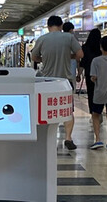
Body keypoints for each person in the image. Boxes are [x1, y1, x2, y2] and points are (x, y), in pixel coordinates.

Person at [32, 15, 83, 150]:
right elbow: (80, 54)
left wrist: (44, 59)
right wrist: (69, 56)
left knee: (47, 110)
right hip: (65, 82)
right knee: (68, 110)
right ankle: (68, 138)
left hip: (47, 82)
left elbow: (34, 57)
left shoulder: (42, 39)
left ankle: (49, 140)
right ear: (61, 26)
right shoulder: (69, 37)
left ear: (48, 26)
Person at [81, 28, 102, 112]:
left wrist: (78, 74)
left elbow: (83, 62)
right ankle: (99, 110)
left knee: (90, 92)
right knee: (100, 92)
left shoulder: (85, 47)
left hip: (89, 73)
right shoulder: (101, 47)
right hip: (100, 73)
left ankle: (92, 111)